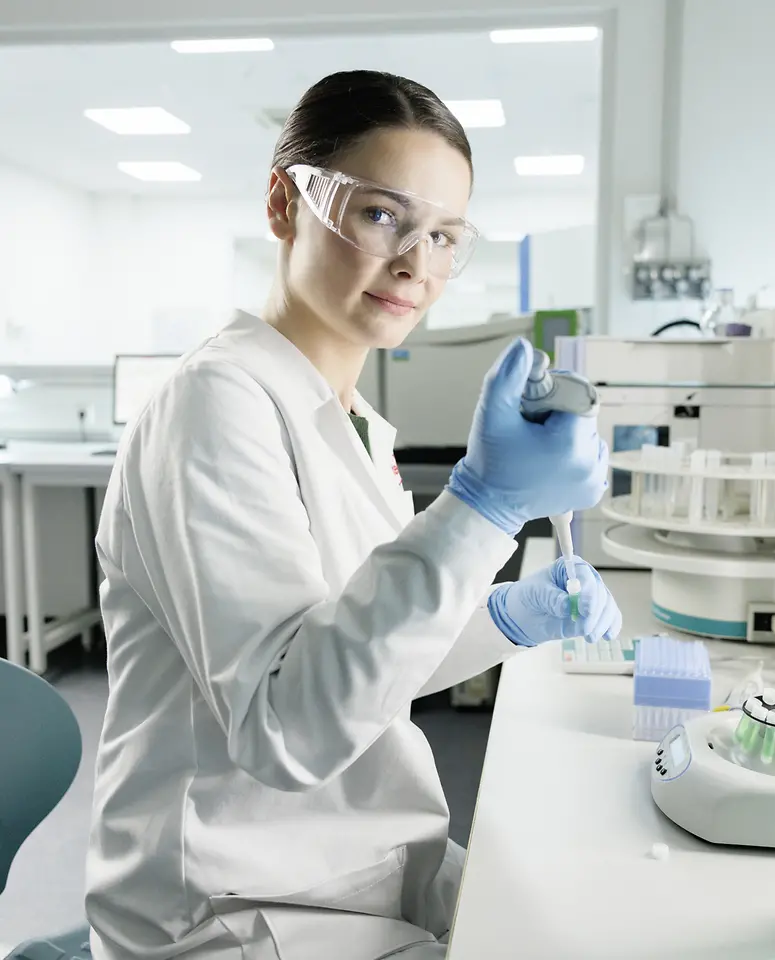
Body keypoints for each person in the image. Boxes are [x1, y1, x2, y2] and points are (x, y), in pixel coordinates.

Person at [84, 70, 621, 960]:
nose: (415, 261)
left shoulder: (354, 421)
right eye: (381, 215)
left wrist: (506, 618)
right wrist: (483, 508)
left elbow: (364, 660)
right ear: (284, 204)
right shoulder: (214, 403)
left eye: (444, 235)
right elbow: (286, 728)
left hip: (357, 866)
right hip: (238, 907)